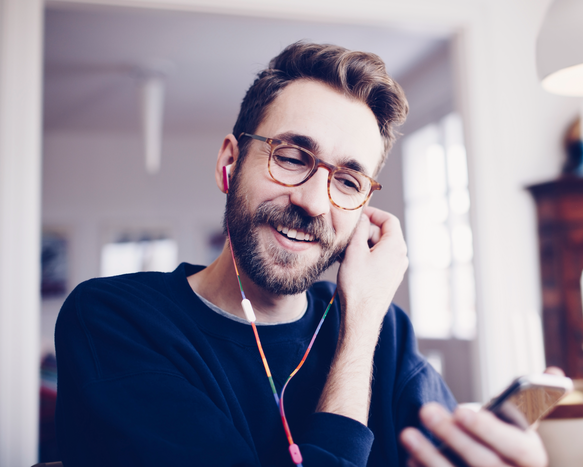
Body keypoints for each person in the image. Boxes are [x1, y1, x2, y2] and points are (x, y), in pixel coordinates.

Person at [54, 41, 548, 467]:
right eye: (291, 158)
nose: (313, 201)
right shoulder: (114, 320)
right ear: (231, 161)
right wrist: (358, 341)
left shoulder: (387, 333)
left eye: (348, 181)